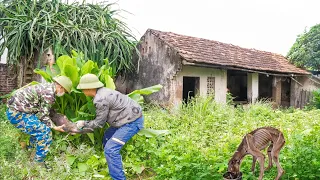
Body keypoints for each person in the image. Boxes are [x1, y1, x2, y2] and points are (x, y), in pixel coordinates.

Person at [70, 73, 144, 180]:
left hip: (131, 122)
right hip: (128, 117)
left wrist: (83, 124)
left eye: (83, 88)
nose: (82, 91)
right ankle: (110, 162)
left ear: (89, 88)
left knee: (110, 149)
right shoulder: (103, 90)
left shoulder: (100, 99)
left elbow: (99, 123)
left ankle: (118, 178)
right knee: (107, 136)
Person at [6, 76, 72, 169]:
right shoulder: (49, 93)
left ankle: (31, 152)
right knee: (45, 132)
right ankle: (38, 163)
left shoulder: (47, 87)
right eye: (65, 91)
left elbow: (45, 110)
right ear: (60, 87)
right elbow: (43, 115)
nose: (64, 93)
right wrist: (54, 127)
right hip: (17, 114)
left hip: (19, 111)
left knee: (37, 128)